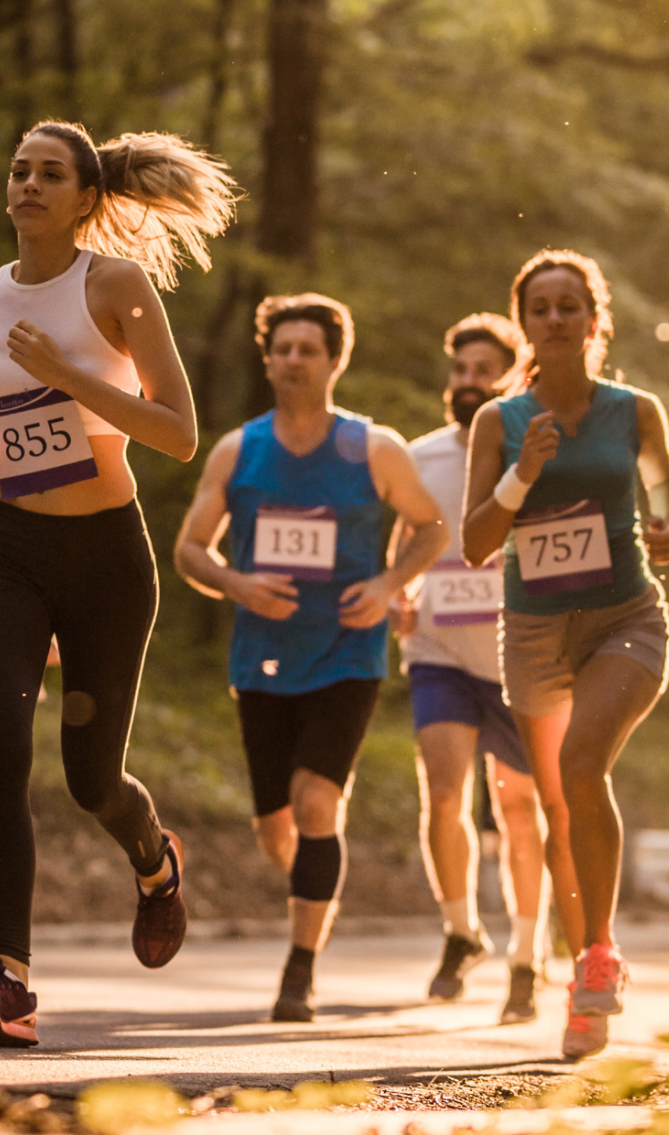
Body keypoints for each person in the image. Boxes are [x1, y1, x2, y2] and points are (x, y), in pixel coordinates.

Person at [0, 120, 238, 1048]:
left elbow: (178, 432)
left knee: (91, 777)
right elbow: (2, 419)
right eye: (18, 168)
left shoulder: (113, 285)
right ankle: (9, 975)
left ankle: (154, 862)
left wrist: (69, 375)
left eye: (51, 173)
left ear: (85, 197)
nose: (28, 183)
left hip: (106, 558)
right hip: (6, 548)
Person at [175, 293, 449, 1023]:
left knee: (316, 800)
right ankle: (316, 885)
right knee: (277, 829)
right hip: (262, 659)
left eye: (308, 350)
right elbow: (189, 548)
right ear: (267, 360)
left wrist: (391, 583)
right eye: (283, 349)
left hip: (347, 653)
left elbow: (431, 527)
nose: (294, 360)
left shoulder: (374, 448)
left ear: (335, 361)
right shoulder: (240, 450)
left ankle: (299, 971)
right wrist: (237, 582)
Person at [461, 250, 669, 1060]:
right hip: (532, 633)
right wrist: (522, 475)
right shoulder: (501, 422)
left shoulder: (635, 411)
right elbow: (477, 542)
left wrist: (666, 529)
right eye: (540, 308)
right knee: (558, 809)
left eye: (569, 306)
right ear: (524, 323)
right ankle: (583, 992)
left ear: (595, 320)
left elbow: (665, 483)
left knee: (585, 764)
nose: (554, 319)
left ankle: (599, 955)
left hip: (625, 618)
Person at [391, 313, 550, 1025]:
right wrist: (398, 591)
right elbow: (406, 538)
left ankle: (526, 954)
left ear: (512, 376)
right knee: (444, 792)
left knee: (518, 808)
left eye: (482, 370)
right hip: (440, 655)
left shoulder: (533, 451)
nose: (466, 382)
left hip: (518, 659)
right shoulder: (420, 456)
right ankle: (461, 930)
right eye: (458, 370)